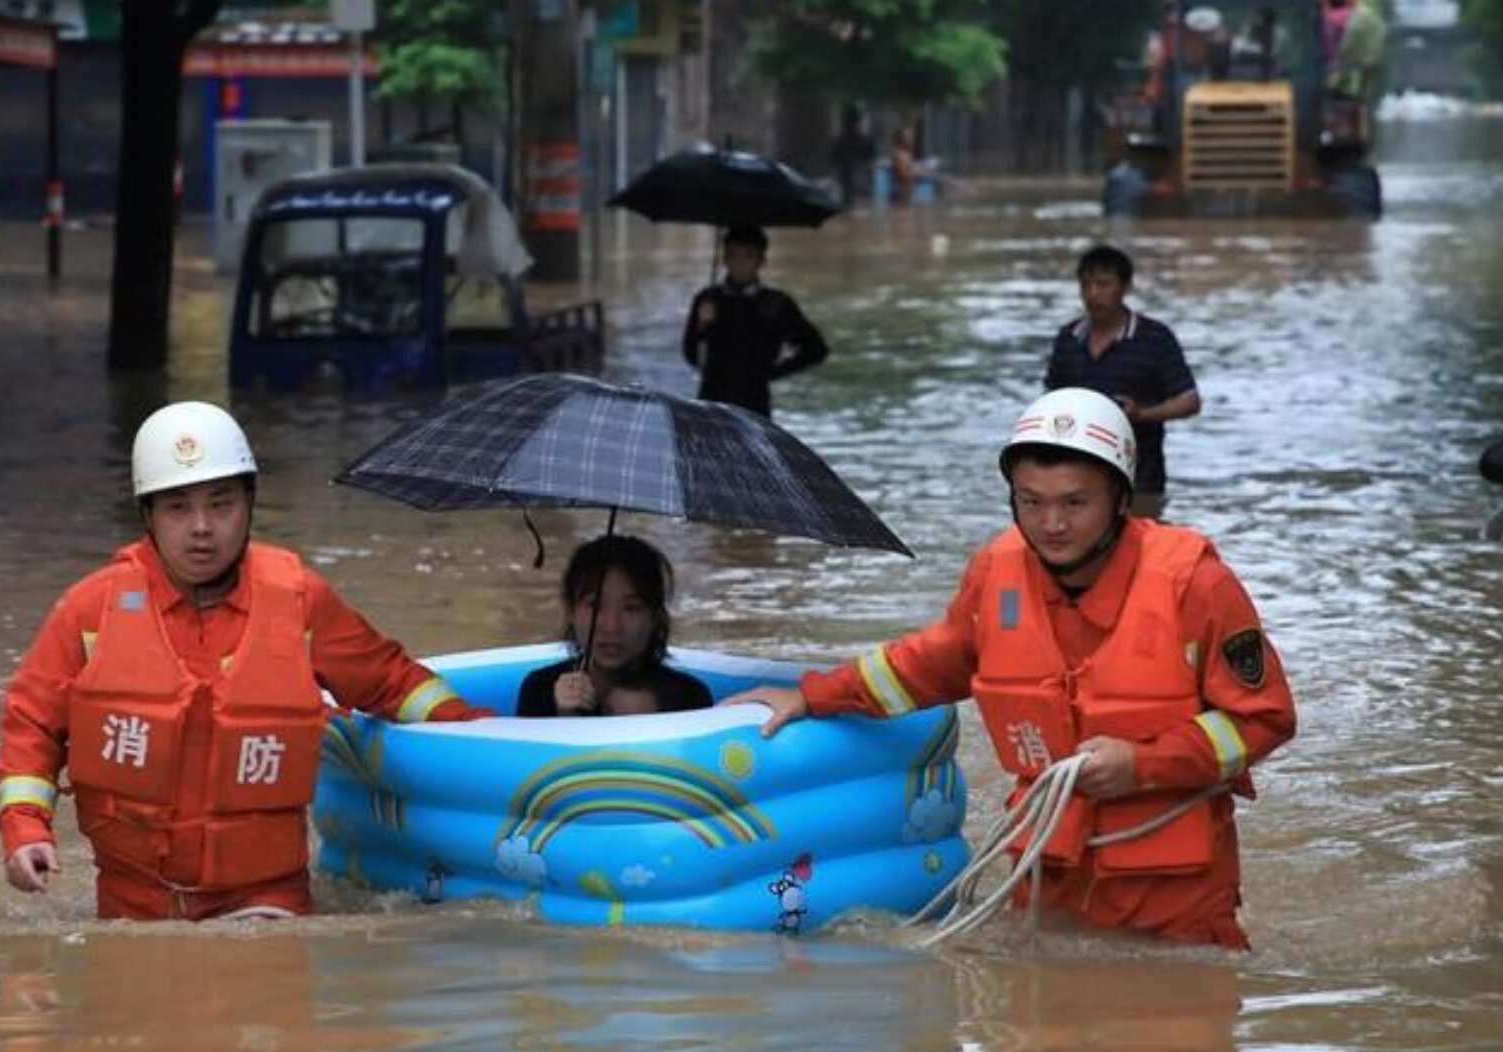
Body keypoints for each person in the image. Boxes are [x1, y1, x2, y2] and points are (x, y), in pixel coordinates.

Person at [725, 388, 1297, 950]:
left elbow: (1264, 718)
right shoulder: (995, 572)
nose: (1051, 523)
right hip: (1049, 880)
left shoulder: (1196, 584)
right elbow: (927, 664)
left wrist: (1143, 765)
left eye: (1075, 503)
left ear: (1122, 499)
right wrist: (812, 695)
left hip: (1176, 900)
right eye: (1031, 501)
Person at [0, 401, 491, 921]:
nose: (202, 528)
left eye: (221, 504)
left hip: (267, 901)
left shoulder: (300, 600)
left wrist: (483, 732)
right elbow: (32, 724)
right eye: (178, 508)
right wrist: (25, 829)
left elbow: (391, 682)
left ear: (250, 505)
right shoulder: (88, 611)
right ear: (147, 516)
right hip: (132, 905)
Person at [1044, 244, 1199, 518]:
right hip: (1076, 477)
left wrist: (1143, 413)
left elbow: (1189, 401)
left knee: (1139, 553)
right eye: (1086, 285)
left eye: (1104, 285)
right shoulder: (1068, 339)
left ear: (1125, 287)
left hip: (1140, 478)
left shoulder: (1154, 338)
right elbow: (1051, 403)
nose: (1093, 294)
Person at [516, 535, 713, 717]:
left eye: (631, 608)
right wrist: (565, 719)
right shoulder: (540, 690)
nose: (612, 626)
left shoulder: (689, 698)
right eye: (595, 605)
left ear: (656, 617)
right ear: (571, 612)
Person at [681, 224, 829, 419]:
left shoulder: (776, 304)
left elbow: (816, 349)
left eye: (748, 256)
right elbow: (692, 355)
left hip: (754, 405)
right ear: (725, 259)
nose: (740, 264)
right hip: (711, 403)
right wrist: (700, 327)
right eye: (733, 256)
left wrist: (770, 373)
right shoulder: (708, 299)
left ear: (761, 261)